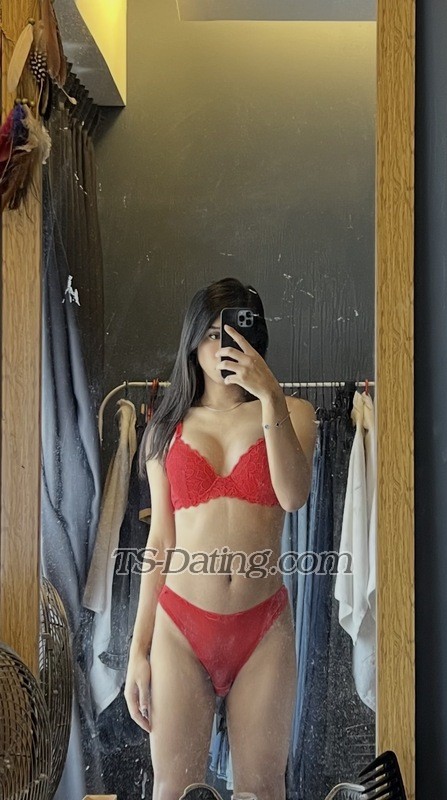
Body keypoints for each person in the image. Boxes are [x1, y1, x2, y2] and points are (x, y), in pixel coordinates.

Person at [125, 277, 317, 800]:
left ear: (256, 338)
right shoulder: (165, 430)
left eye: (235, 332)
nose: (222, 346)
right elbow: (159, 544)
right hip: (180, 628)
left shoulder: (294, 413)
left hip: (262, 629)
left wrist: (269, 393)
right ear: (192, 341)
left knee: (263, 788)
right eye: (211, 333)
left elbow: (293, 496)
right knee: (173, 789)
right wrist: (137, 651)